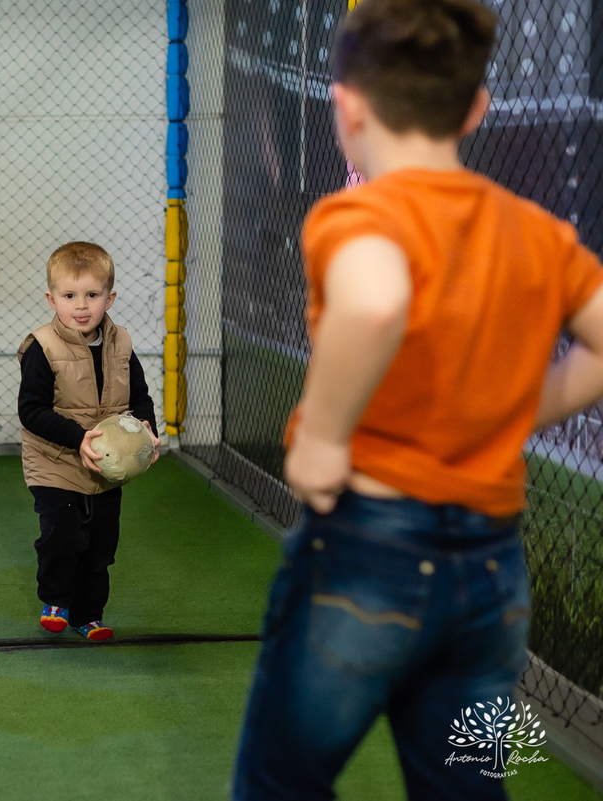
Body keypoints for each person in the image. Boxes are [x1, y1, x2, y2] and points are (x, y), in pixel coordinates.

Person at [232, 1, 603, 798]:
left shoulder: (359, 213)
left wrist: (324, 436)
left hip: (370, 549)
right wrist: (516, 413)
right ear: (475, 109)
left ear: (346, 104)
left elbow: (374, 300)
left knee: (279, 782)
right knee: (466, 789)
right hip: (492, 573)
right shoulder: (537, 230)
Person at [17, 241, 159, 641]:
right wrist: (78, 438)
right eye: (69, 296)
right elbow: (32, 411)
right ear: (51, 299)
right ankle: (57, 601)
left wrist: (147, 428)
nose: (81, 306)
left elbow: (140, 397)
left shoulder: (122, 344)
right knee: (61, 537)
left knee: (100, 547)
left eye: (92, 295)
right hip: (55, 463)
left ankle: (88, 615)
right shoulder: (42, 347)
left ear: (109, 298)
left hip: (105, 468)